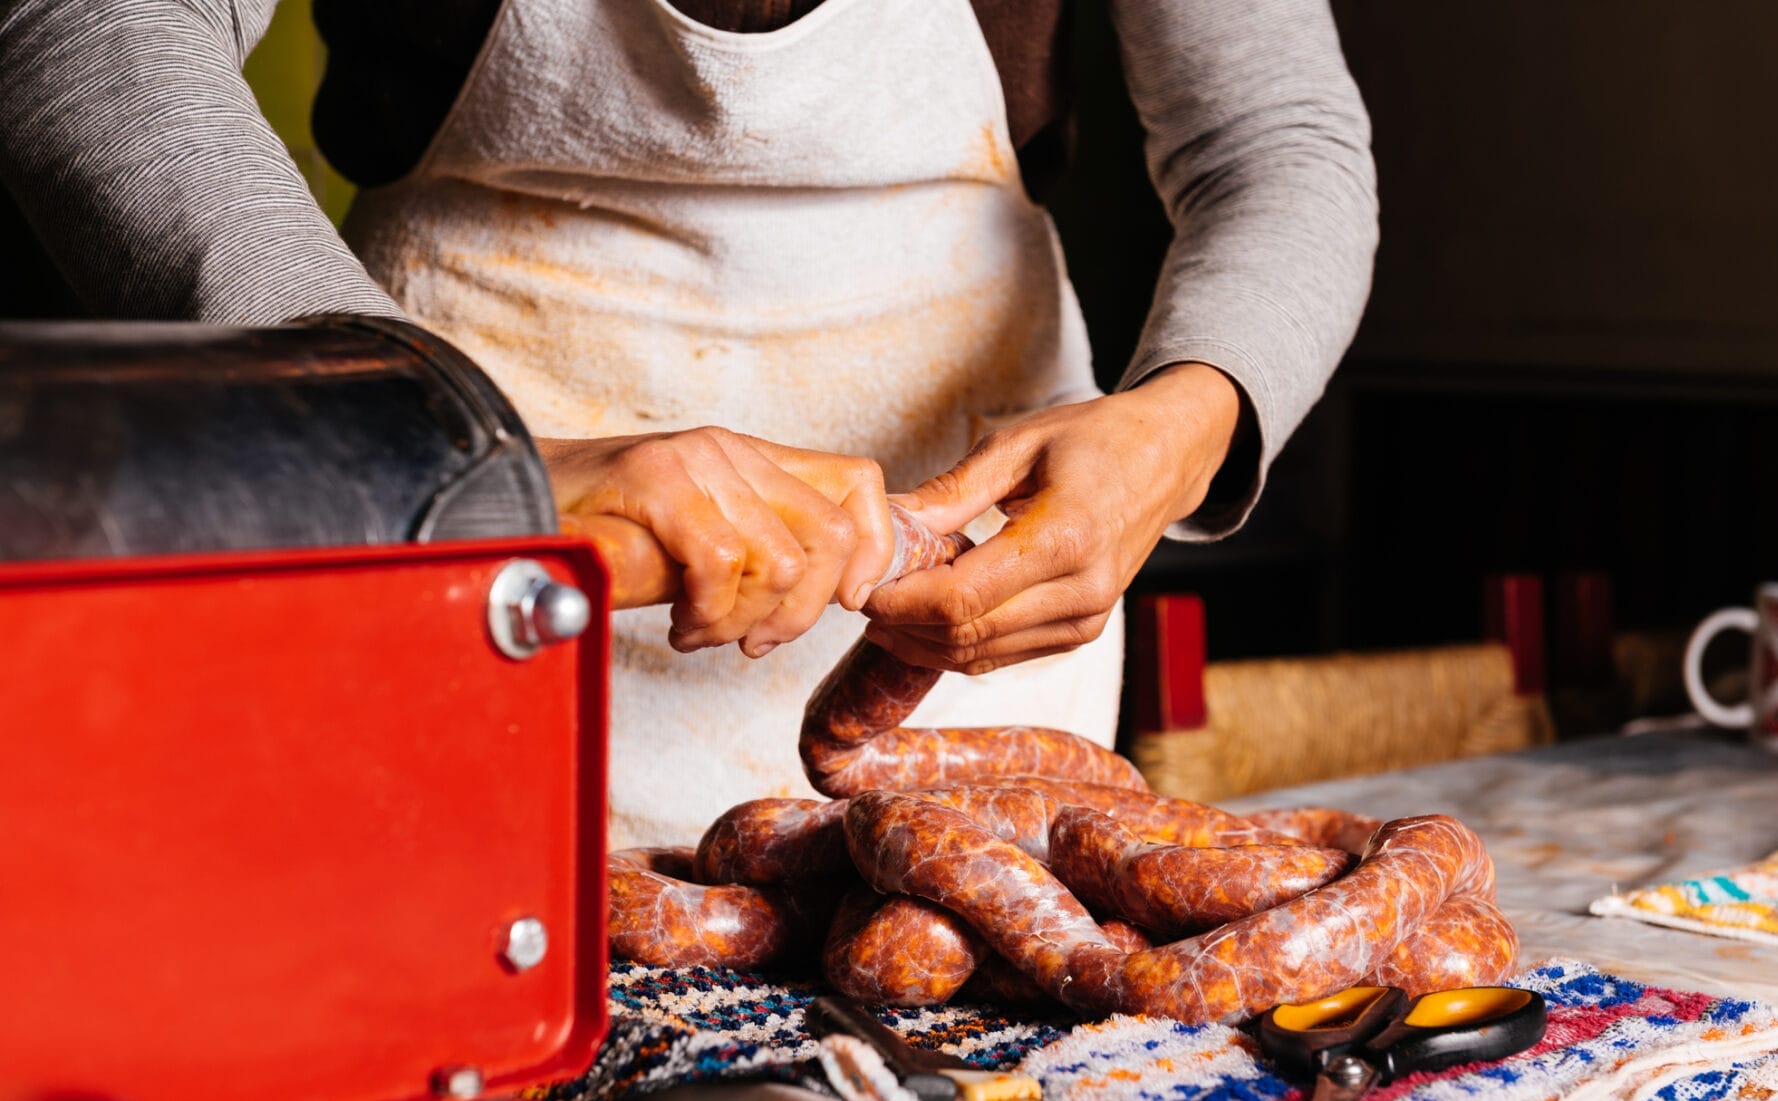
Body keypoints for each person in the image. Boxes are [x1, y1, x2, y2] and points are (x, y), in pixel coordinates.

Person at [0, 0, 1377, 844]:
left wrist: (1183, 428)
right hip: (465, 567)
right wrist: (431, 444)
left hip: (979, 674)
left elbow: (1281, 139)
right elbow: (92, 18)